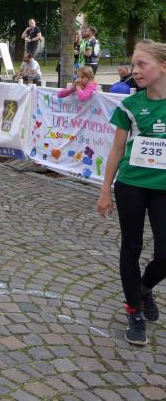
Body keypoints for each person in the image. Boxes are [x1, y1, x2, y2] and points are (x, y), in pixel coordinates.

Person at [98, 39, 166, 346]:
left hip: (163, 188)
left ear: (162, 67)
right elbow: (116, 149)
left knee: (164, 254)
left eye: (142, 64)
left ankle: (143, 288)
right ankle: (134, 312)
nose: (134, 70)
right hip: (132, 185)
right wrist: (105, 190)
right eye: (134, 64)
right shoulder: (130, 105)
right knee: (131, 247)